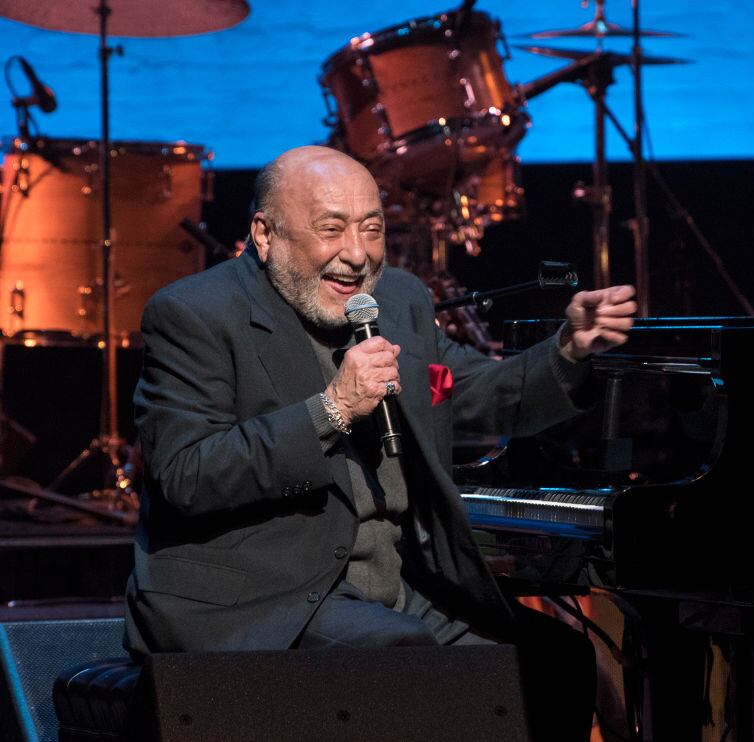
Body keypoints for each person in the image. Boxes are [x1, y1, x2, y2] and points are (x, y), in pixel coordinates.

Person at [123, 145, 636, 739]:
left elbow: (475, 391)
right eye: (332, 230)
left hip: (397, 586)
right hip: (265, 596)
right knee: (401, 660)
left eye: (372, 229)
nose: (358, 255)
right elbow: (186, 476)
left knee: (553, 660)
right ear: (265, 234)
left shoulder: (398, 301)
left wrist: (568, 351)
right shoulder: (195, 315)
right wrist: (332, 409)